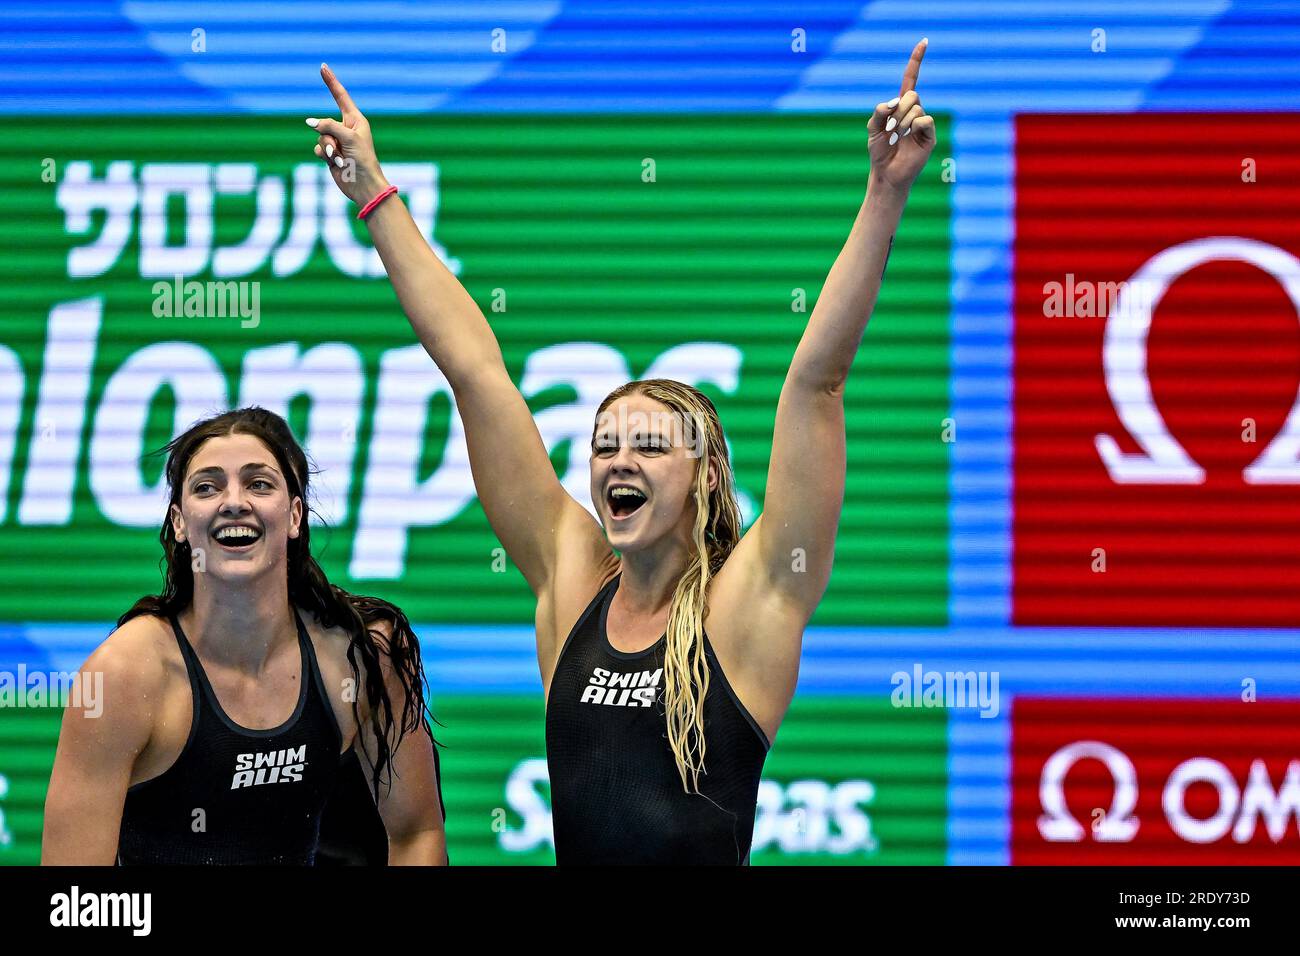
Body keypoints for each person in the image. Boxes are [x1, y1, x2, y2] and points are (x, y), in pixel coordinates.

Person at [306, 37, 935, 863]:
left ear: (705, 473)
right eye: (604, 445)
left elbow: (816, 382)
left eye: (647, 444)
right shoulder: (572, 580)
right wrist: (375, 194)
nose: (616, 461)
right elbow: (474, 373)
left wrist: (885, 193)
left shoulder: (750, 604)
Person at [41, 407, 446, 865]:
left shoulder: (359, 656)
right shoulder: (126, 676)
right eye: (207, 487)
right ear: (179, 522)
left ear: (294, 516)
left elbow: (418, 834)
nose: (233, 502)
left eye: (259, 483)